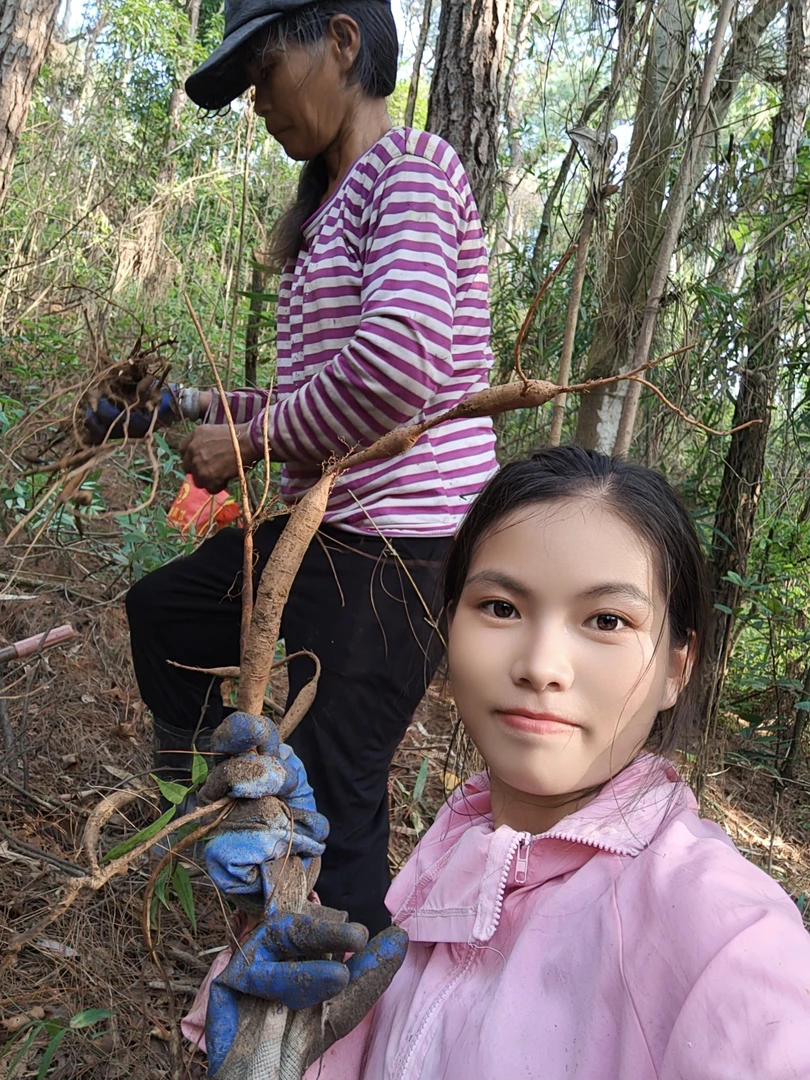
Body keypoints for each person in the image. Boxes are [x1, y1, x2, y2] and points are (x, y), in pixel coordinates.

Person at [192, 446, 810, 1078]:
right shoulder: (459, 842)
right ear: (450, 625)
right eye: (501, 608)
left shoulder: (727, 936)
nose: (541, 666)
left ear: (676, 667)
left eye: (607, 620)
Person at [87, 0, 498, 936]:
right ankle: (214, 812)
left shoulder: (411, 170)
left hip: (399, 549)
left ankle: (344, 998)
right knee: (167, 612)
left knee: (339, 787)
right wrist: (184, 405)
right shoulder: (330, 209)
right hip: (330, 528)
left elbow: (394, 366)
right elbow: (315, 399)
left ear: (342, 42)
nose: (258, 102)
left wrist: (252, 443)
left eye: (265, 72)